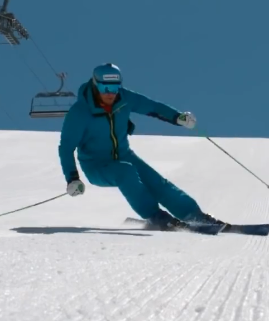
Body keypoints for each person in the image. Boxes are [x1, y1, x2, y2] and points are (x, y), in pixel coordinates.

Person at [57, 63, 226, 230]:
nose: (110, 93)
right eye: (105, 88)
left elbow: (152, 107)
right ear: (95, 85)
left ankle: (194, 215)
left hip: (124, 155)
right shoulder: (80, 112)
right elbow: (66, 147)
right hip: (96, 166)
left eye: (114, 88)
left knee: (157, 182)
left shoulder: (124, 99)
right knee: (126, 172)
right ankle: (155, 217)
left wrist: (177, 117)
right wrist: (72, 178)